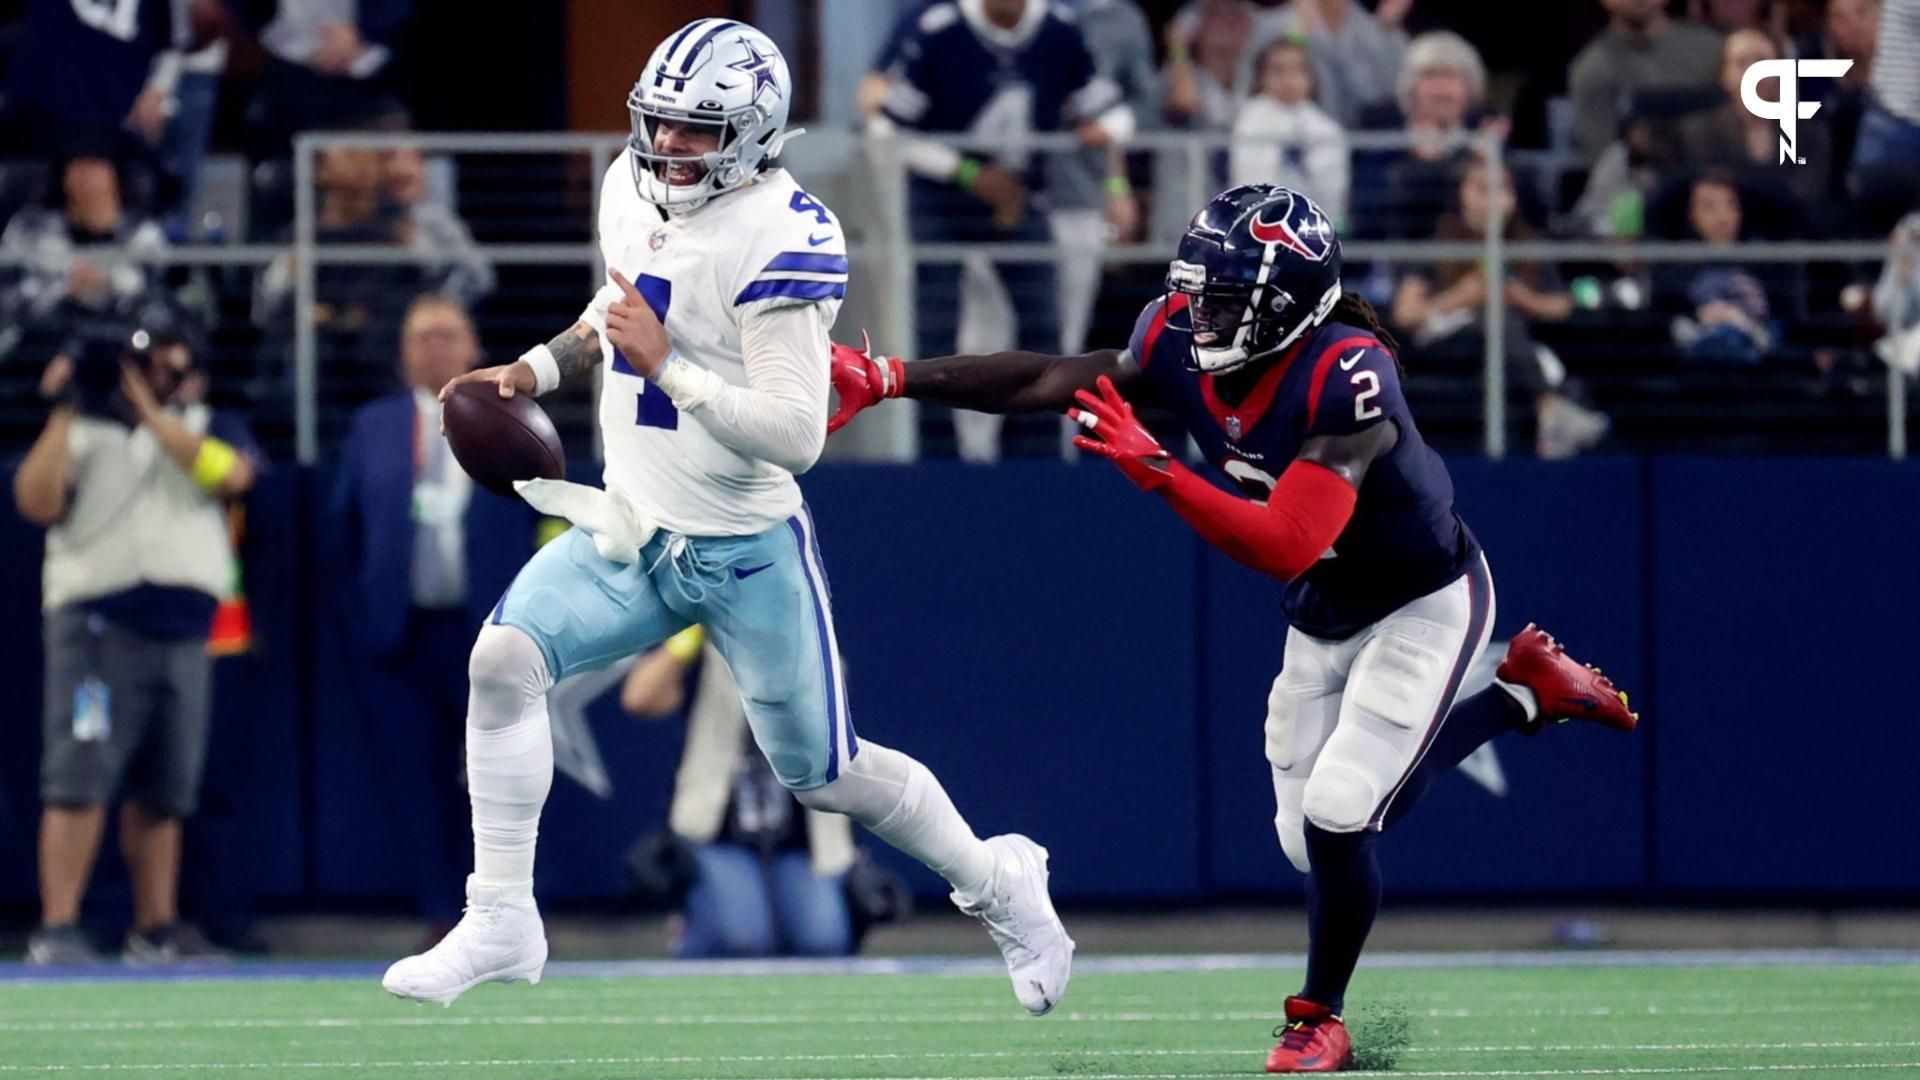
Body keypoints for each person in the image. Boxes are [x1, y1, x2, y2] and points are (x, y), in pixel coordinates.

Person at [827, 184, 1637, 1072]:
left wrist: (1163, 471)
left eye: (1223, 299)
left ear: (1289, 305)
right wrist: (895, 377)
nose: (1197, 314)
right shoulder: (1182, 335)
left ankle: (1318, 1017)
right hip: (1324, 615)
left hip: (1421, 598)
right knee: (1310, 841)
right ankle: (1522, 694)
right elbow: (1049, 377)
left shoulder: (1348, 371)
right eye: (1198, 291)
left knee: (1338, 815)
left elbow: (1287, 541)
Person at [380, 19, 1074, 1016]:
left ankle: (999, 884)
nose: (668, 147)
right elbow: (611, 310)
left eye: (695, 131)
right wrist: (530, 371)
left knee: (827, 775)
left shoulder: (782, 233)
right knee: (499, 665)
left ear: (754, 132)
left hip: (744, 550)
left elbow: (797, 435)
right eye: (657, 123)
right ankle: (500, 916)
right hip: (632, 526)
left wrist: (673, 367)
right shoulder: (631, 186)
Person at [14, 324, 259, 966]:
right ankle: (58, 926)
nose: (148, 377)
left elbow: (233, 476)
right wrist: (69, 408)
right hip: (95, 626)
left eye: (160, 367)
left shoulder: (210, 425)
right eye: (138, 366)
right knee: (79, 774)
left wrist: (151, 416)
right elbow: (36, 503)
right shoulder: (81, 430)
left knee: (168, 784)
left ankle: (155, 927)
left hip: (182, 630)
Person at [330, 294, 536, 939]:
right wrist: (363, 616)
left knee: (498, 776)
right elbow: (344, 531)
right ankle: (440, 915)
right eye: (421, 337)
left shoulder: (514, 418)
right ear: (402, 352)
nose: (435, 348)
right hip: (402, 634)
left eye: (448, 335)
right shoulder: (375, 426)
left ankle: (505, 911)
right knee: (414, 781)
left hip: (489, 632)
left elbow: (539, 517)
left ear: (474, 347)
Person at [870, 0, 1133, 459]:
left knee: (1044, 330)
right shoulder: (940, 31)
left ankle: (1037, 458)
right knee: (934, 335)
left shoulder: (1058, 30)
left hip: (1019, 196)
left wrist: (1096, 132)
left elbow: (1114, 113)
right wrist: (967, 172)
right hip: (943, 202)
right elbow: (887, 128)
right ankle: (938, 458)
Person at [622, 627, 858, 959]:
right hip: (719, 834)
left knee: (822, 939)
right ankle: (687, 929)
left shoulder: (811, 639)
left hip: (800, 839)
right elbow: (639, 698)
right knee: (742, 939)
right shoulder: (708, 644)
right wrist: (687, 639)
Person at [1392, 158, 1609, 459]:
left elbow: (1561, 306)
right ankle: (1549, 407)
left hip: (1512, 346)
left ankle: (1545, 421)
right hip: (1448, 342)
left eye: (1502, 188)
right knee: (1494, 319)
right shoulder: (1436, 245)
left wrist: (1520, 297)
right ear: (1461, 195)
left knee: (1503, 325)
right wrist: (1462, 296)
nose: (1492, 197)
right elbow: (1406, 314)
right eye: (1481, 188)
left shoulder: (1527, 247)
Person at [1568, 0, 1725, 168]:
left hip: (1717, 176)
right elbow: (1603, 157)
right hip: (1636, 183)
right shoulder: (1592, 70)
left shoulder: (1713, 50)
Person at [1228, 38, 1349, 226]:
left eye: (1296, 69)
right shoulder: (1247, 121)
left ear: (1310, 76)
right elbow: (1248, 184)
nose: (1288, 79)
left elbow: (1333, 194)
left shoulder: (1327, 129)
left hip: (1312, 230)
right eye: (1278, 70)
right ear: (1261, 77)